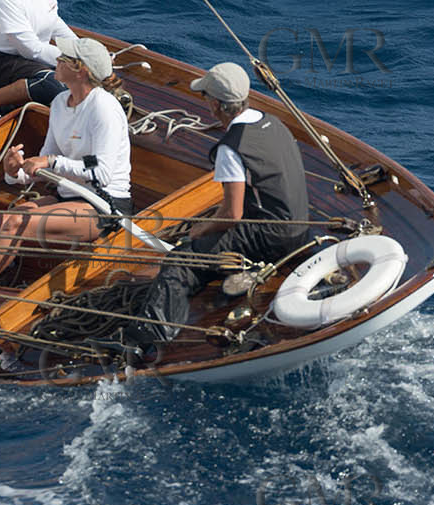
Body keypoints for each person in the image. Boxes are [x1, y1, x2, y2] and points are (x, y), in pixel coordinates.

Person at [133, 62, 311, 341]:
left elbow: (232, 214)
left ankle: (152, 340)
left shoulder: (231, 146)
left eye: (205, 97)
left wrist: (200, 230)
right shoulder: (272, 121)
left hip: (272, 237)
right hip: (301, 229)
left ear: (215, 105)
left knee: (181, 260)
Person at [0, 36, 131, 301]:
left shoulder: (104, 109)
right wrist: (16, 173)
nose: (56, 59)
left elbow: (100, 168)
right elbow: (47, 157)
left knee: (15, 224)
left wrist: (52, 162)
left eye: (63, 58)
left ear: (80, 71)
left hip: (105, 205)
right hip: (67, 196)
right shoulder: (59, 104)